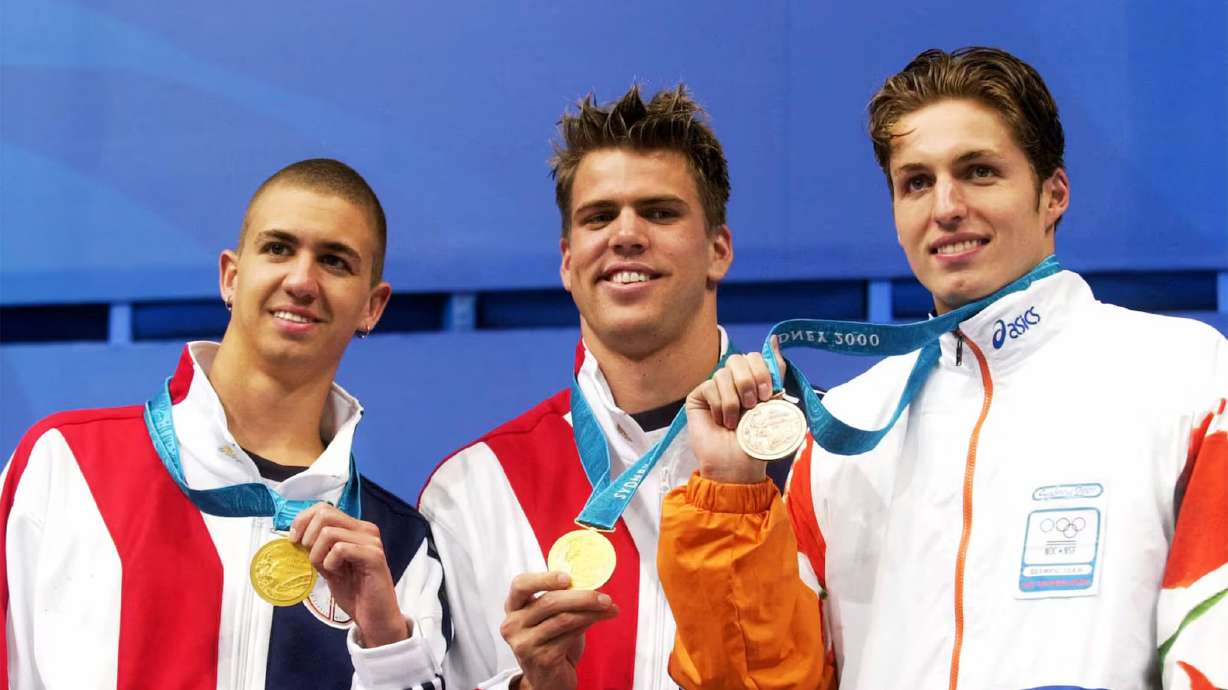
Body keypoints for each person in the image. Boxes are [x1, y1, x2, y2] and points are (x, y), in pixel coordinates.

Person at [659, 47, 1228, 690]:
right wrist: (734, 491)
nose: (946, 207)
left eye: (979, 171)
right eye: (917, 183)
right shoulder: (845, 428)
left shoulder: (1186, 378)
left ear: (1053, 194)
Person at [1, 159, 450, 689]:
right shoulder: (68, 463)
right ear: (230, 277)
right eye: (279, 248)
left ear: (372, 307)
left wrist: (386, 647)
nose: (301, 281)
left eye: (334, 261)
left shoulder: (397, 547)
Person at [418, 84, 784, 689]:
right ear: (568, 262)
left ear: (718, 250)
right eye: (599, 216)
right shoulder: (473, 488)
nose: (626, 235)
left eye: (660, 212)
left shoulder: (818, 459)